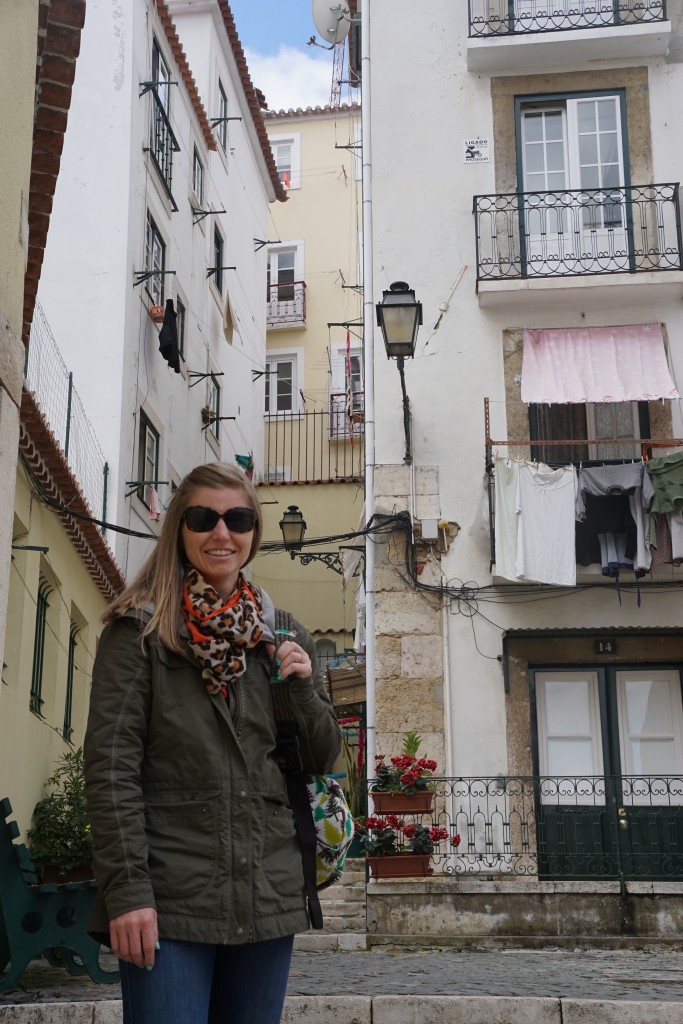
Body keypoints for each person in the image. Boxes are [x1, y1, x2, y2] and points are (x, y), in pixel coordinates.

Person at [84, 463, 341, 1024]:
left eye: (238, 518)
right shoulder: (139, 633)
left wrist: (301, 688)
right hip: (171, 896)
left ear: (253, 531)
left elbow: (321, 759)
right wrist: (127, 893)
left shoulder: (282, 633)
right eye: (204, 518)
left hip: (266, 890)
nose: (221, 533)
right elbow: (109, 769)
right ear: (180, 526)